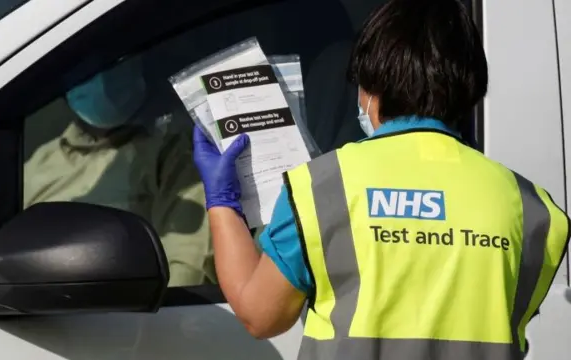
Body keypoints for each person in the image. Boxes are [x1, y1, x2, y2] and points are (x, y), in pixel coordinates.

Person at [191, 0, 570, 359]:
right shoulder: (534, 210)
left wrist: (221, 198)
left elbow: (260, 314)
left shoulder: (321, 188)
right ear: (470, 87)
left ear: (371, 87)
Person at [24, 55, 215, 287]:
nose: (101, 79)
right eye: (84, 67)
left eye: (113, 61)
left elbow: (187, 269)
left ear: (137, 64)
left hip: (130, 318)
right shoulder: (38, 163)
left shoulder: (174, 150)